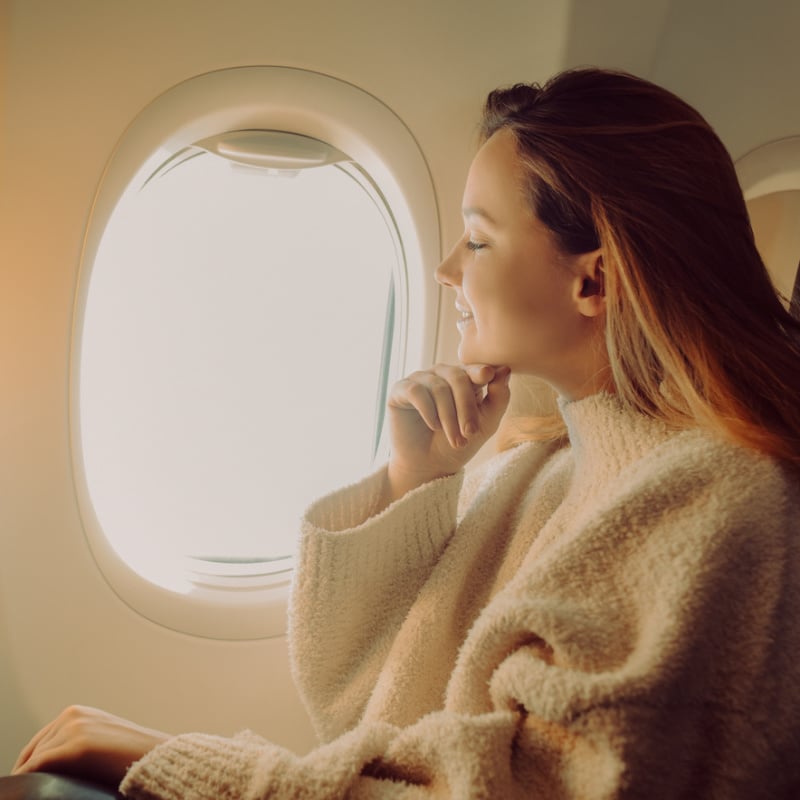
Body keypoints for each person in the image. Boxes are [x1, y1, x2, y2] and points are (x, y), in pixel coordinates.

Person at [8, 67, 800, 799]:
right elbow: (365, 706)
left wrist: (165, 760)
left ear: (593, 277)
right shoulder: (549, 466)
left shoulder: (715, 499)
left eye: (480, 238)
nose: (448, 266)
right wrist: (413, 481)